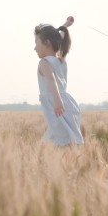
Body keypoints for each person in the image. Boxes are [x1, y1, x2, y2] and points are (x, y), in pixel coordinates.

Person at [34, 16, 84, 146]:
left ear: (47, 43)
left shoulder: (44, 63)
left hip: (56, 105)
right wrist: (65, 26)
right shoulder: (61, 60)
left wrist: (56, 100)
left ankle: (60, 163)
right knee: (64, 137)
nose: (35, 48)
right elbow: (59, 37)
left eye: (36, 43)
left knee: (58, 140)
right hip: (67, 104)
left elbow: (51, 80)